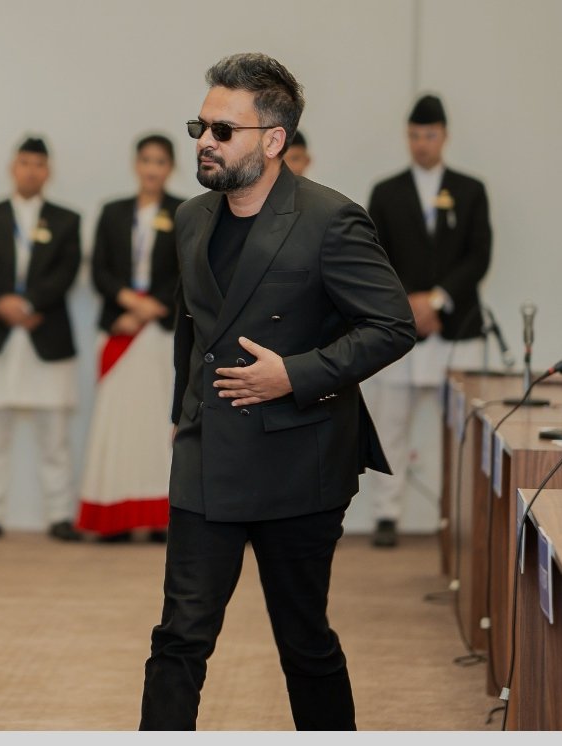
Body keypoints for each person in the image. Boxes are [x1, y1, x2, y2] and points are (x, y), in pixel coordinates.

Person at [138, 52, 416, 731]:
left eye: (222, 130)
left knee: (303, 642)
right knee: (179, 638)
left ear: (272, 140)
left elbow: (391, 326)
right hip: (207, 455)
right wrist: (182, 416)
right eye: (200, 127)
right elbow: (191, 328)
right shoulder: (191, 218)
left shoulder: (330, 219)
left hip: (298, 461)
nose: (204, 142)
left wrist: (293, 374)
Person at [363, 95, 492, 548]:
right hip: (401, 329)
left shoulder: (470, 190)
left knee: (461, 432)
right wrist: (410, 306)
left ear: (444, 135)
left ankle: (459, 515)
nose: (422, 143)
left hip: (457, 331)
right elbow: (373, 256)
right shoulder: (386, 191)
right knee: (390, 425)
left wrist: (436, 301)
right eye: (415, 135)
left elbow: (479, 257)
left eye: (430, 135)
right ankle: (386, 515)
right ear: (407, 136)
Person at [0, 136, 83, 542]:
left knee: (54, 436)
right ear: (13, 168)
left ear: (48, 171)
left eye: (39, 164)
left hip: (45, 334)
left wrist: (30, 303)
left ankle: (59, 515)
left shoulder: (66, 220)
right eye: (25, 163)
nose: (31, 171)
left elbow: (65, 272)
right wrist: (3, 303)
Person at [76, 134, 185, 543]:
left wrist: (153, 306)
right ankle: (114, 517)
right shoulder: (113, 211)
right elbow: (99, 269)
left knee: (157, 424)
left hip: (159, 330)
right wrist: (128, 302)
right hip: (119, 326)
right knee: (117, 424)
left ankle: (160, 517)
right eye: (146, 160)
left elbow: (187, 269)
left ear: (170, 167)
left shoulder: (184, 211)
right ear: (135, 164)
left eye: (160, 161)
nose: (152, 168)